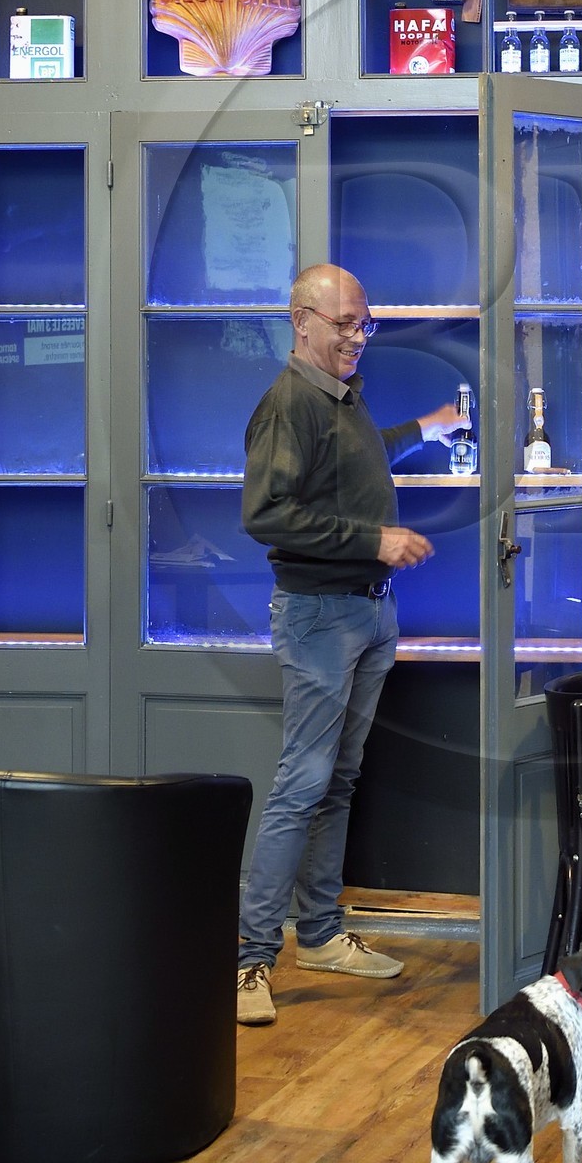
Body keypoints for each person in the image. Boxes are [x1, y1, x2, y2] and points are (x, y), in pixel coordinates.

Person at [235, 262, 464, 1025]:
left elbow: (357, 465)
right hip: (321, 618)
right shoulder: (288, 405)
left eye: (365, 324)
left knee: (336, 780)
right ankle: (249, 960)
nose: (358, 337)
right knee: (302, 785)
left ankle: (324, 934)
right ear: (300, 321)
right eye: (344, 324)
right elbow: (267, 515)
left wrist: (428, 429)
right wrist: (377, 540)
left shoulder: (341, 399)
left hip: (367, 614)